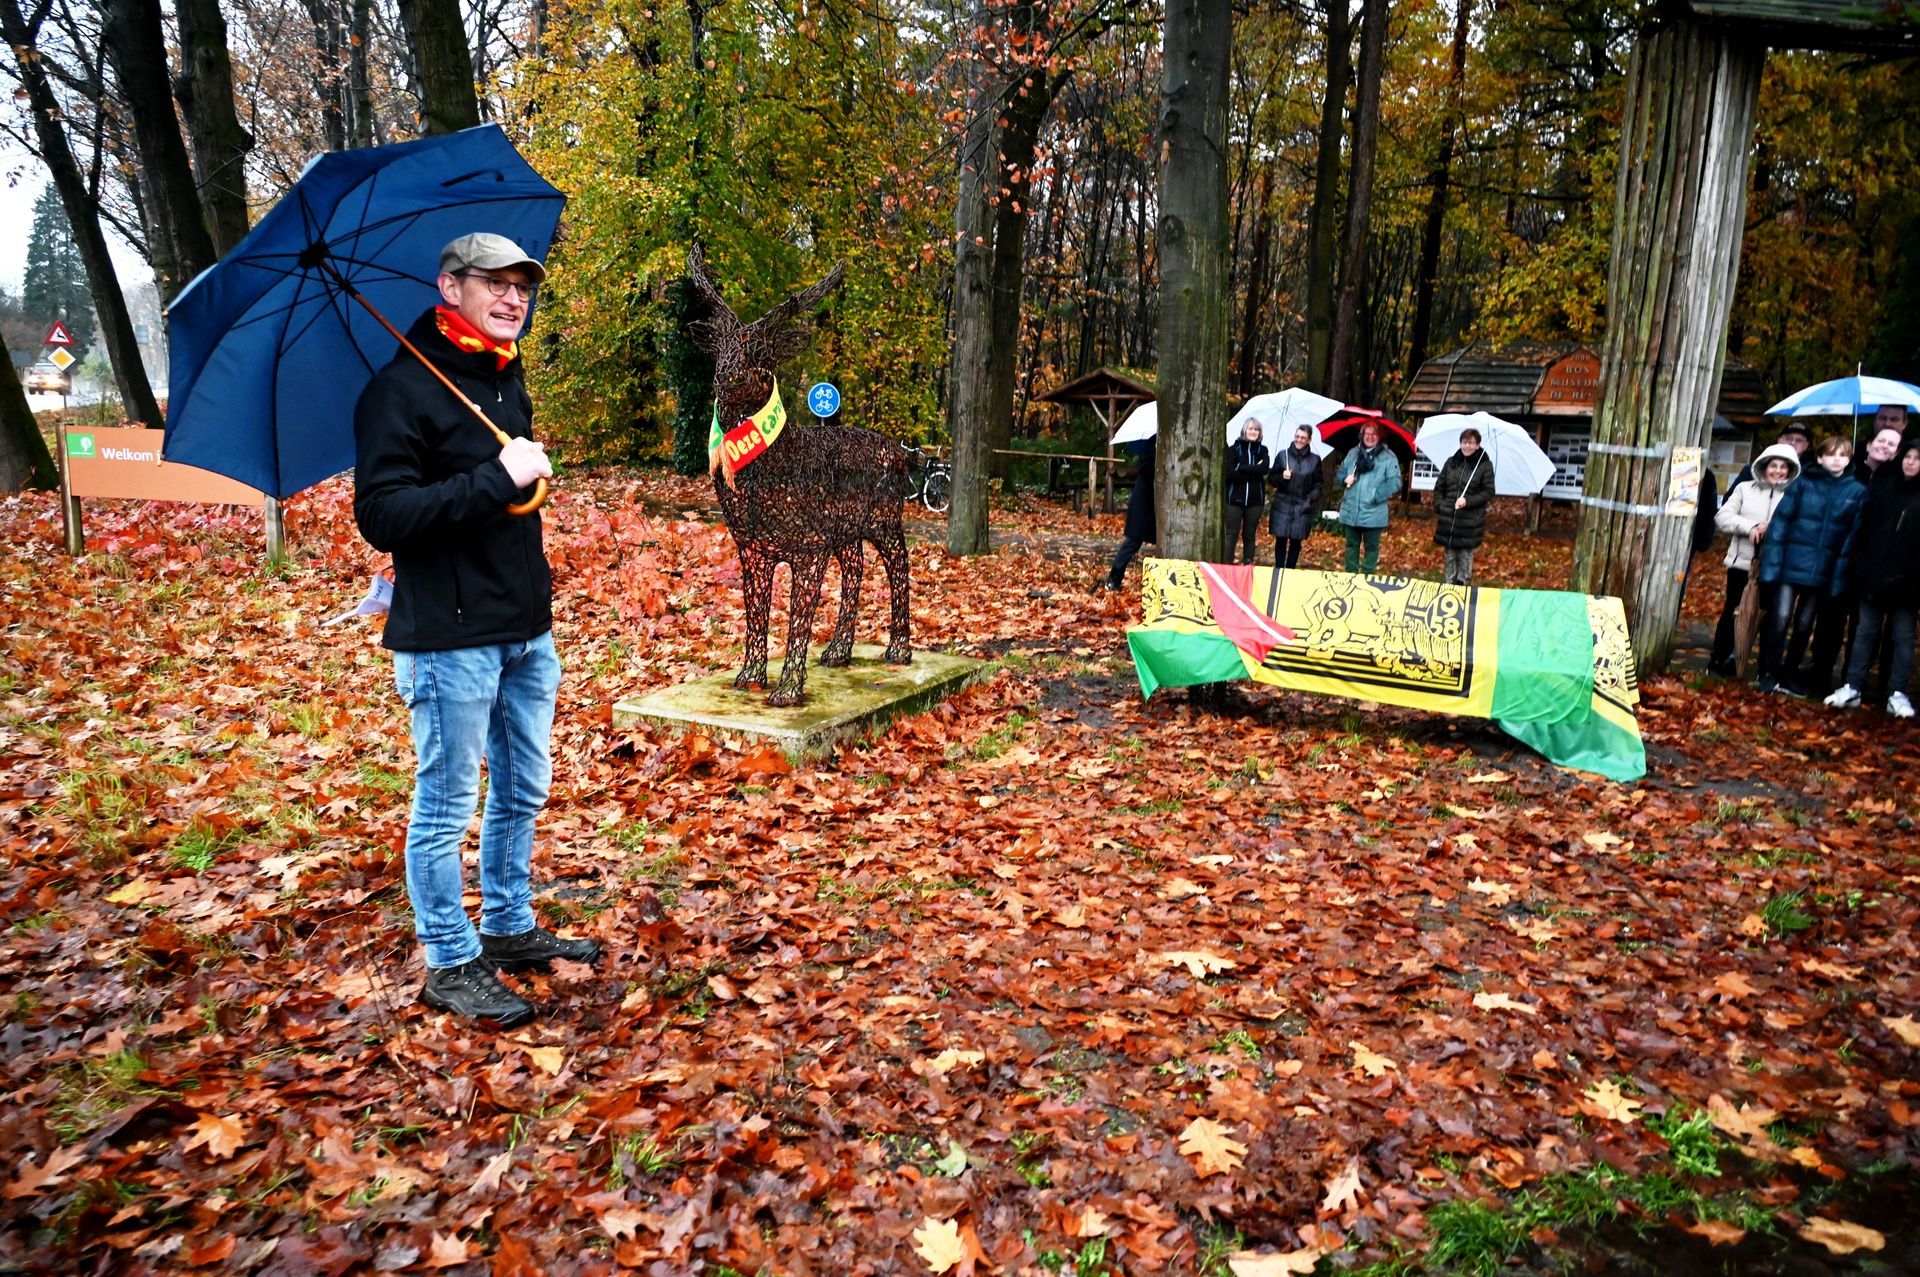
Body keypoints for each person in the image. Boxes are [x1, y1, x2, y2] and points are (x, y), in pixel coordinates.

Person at [355, 232, 603, 1028]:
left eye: (522, 286)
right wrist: (497, 476)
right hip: (448, 638)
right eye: (494, 283)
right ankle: (449, 959)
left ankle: (505, 925)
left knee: (524, 786)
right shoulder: (398, 390)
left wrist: (515, 480)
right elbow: (383, 515)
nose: (512, 298)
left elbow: (500, 502)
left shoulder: (502, 375)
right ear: (449, 287)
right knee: (446, 805)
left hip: (524, 627)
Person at [1754, 436, 1865, 696]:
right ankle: (1769, 672)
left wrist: (1839, 572)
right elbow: (1781, 523)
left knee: (1804, 624)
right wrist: (1772, 563)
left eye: (1842, 455)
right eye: (1831, 454)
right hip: (1790, 564)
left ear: (1849, 459)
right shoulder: (1802, 484)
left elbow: (1852, 535)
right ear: (1820, 457)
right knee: (1781, 617)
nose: (1836, 459)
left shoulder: (1857, 491)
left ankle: (1789, 673)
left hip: (1823, 570)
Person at [1826, 443, 1920, 718]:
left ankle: (1897, 693)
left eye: (1917, 458)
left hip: (1908, 583)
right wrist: (1861, 565)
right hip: (1873, 576)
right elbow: (1864, 527)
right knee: (1864, 633)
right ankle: (1853, 686)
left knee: (1902, 638)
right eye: (1907, 456)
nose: (1910, 462)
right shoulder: (1883, 486)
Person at [1708, 443, 1798, 677]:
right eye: (1773, 465)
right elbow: (1723, 517)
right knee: (1734, 611)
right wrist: (1750, 526)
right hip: (1742, 564)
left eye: (1783, 467)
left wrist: (1773, 530)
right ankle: (1719, 660)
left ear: (1790, 470)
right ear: (1763, 466)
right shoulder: (1744, 489)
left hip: (1775, 567)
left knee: (1767, 616)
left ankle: (1762, 669)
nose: (1777, 471)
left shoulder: (1795, 495)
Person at [1431, 428, 1497, 586]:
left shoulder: (1484, 466)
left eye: (1471, 443)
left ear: (1477, 445)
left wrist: (1468, 501)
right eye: (1465, 442)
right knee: (1449, 555)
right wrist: (1440, 506)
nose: (1467, 446)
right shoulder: (1451, 462)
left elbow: (1488, 492)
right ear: (1460, 443)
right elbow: (1439, 487)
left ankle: (1463, 586)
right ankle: (1449, 586)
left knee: (1464, 556)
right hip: (1449, 518)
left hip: (1469, 521)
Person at [1336, 422, 1400, 574]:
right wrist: (1344, 479)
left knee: (1371, 548)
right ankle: (1350, 576)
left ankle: (1366, 578)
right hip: (1351, 509)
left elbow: (1395, 482)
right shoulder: (1353, 453)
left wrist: (1375, 495)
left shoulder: (1388, 457)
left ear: (1379, 436)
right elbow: (1340, 473)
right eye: (1367, 434)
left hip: (1373, 512)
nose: (1370, 437)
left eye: (1374, 434)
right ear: (1362, 435)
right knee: (1351, 546)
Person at [1269, 424, 1325, 569]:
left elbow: (1318, 484)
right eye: (1297, 436)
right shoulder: (1283, 455)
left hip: (1302, 505)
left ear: (1309, 440)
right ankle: (1279, 570)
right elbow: (1272, 479)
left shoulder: (1315, 460)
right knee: (1280, 540)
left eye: (1303, 438)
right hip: (1282, 504)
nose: (1299, 440)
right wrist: (1282, 476)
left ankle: (1290, 571)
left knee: (1296, 541)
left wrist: (1310, 500)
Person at [1105, 435, 1156, 590]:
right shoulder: (1153, 443)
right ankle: (1114, 578)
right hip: (1144, 501)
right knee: (1133, 541)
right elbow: (1145, 468)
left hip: (1154, 502)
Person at [1223, 419, 1271, 565]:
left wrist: (1242, 467)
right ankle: (1226, 565)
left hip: (1255, 501)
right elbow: (1230, 474)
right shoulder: (1233, 450)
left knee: (1249, 535)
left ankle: (1248, 565)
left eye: (1256, 429)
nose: (1253, 432)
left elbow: (1264, 469)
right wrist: (1254, 470)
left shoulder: (1263, 450)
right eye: (1250, 429)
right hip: (1234, 500)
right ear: (1244, 430)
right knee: (1231, 535)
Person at [1733, 423, 1812, 487]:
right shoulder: (1754, 469)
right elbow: (1730, 498)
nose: (1792, 442)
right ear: (1779, 440)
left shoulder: (1810, 472)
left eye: (1799, 440)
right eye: (1788, 438)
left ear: (1807, 445)